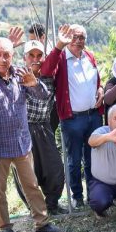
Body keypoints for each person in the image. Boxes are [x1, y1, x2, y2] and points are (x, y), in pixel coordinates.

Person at [0, 37, 63, 232]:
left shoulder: (22, 75)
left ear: (13, 55)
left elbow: (43, 96)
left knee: (31, 184)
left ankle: (42, 223)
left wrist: (35, 84)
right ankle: (5, 229)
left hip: (22, 143)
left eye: (7, 55)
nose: (3, 59)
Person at [41, 24, 104, 208]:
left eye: (81, 37)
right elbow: (45, 71)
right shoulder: (61, 57)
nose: (78, 41)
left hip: (93, 116)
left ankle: (93, 192)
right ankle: (77, 196)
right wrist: (59, 45)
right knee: (74, 160)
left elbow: (96, 80)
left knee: (93, 158)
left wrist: (99, 89)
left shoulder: (89, 56)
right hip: (72, 118)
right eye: (74, 37)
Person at [12, 40, 68, 216]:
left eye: (39, 55)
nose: (35, 59)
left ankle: (52, 204)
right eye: (31, 55)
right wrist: (11, 46)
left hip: (44, 127)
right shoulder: (15, 76)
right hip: (23, 129)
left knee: (54, 168)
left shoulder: (48, 77)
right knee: (27, 172)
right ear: (24, 58)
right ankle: (35, 209)